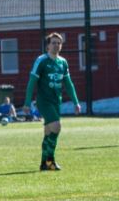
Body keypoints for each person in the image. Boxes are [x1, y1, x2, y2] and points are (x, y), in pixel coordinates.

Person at [24, 32, 80, 171]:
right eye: (53, 43)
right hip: (44, 101)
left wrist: (76, 102)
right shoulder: (41, 60)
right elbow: (32, 82)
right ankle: (50, 161)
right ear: (47, 46)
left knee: (49, 132)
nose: (56, 45)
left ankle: (44, 163)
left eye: (59, 43)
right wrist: (27, 102)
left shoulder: (63, 62)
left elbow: (68, 84)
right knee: (56, 126)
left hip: (56, 101)